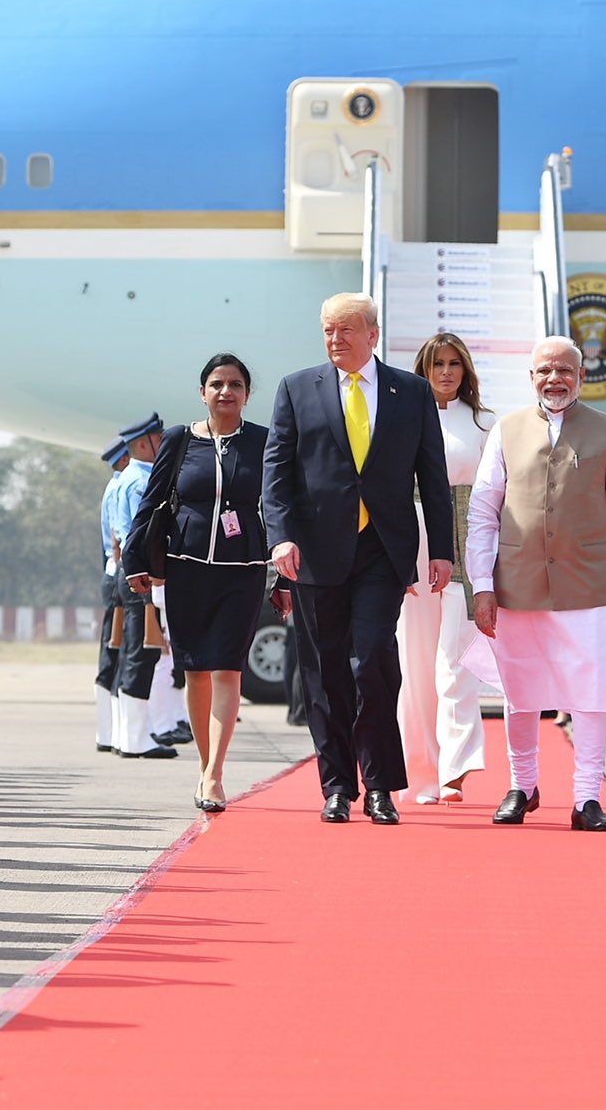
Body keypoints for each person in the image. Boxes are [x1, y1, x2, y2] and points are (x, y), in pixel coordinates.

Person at [262, 293, 453, 825]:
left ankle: (381, 787)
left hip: (382, 548)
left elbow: (432, 477)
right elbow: (275, 474)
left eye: (345, 330)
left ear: (372, 333)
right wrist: (279, 537)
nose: (335, 340)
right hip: (315, 553)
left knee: (371, 661)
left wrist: (441, 550)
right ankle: (338, 785)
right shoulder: (298, 389)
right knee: (324, 672)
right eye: (327, 331)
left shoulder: (410, 392)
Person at [467, 337, 606, 830]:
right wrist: (481, 584)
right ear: (531, 377)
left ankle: (587, 797)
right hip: (518, 583)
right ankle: (522, 786)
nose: (555, 379)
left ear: (581, 376)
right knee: (520, 691)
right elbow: (483, 512)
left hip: (588, 586)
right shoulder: (506, 431)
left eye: (564, 371)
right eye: (545, 371)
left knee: (592, 694)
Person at [125, 354, 271, 813]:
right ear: (202, 391)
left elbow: (281, 506)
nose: (225, 391)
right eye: (216, 383)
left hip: (243, 570)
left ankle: (214, 775)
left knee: (228, 667)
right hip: (186, 568)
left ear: (247, 394)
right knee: (195, 670)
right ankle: (205, 766)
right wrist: (135, 560)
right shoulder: (179, 441)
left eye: (235, 384)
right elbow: (151, 503)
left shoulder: (265, 443)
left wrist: (285, 573)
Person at [391, 332, 494, 804]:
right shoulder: (400, 421)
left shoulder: (487, 423)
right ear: (424, 370)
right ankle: (422, 774)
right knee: (414, 661)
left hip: (468, 543)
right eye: (437, 364)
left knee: (456, 658)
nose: (447, 372)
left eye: (455, 363)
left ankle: (457, 764)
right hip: (414, 541)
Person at [98, 413, 177, 759]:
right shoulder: (141, 481)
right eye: (159, 438)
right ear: (144, 444)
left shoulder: (127, 478)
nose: (163, 443)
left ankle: (125, 735)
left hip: (127, 573)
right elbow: (140, 535)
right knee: (140, 653)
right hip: (140, 575)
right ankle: (134, 738)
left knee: (130, 650)